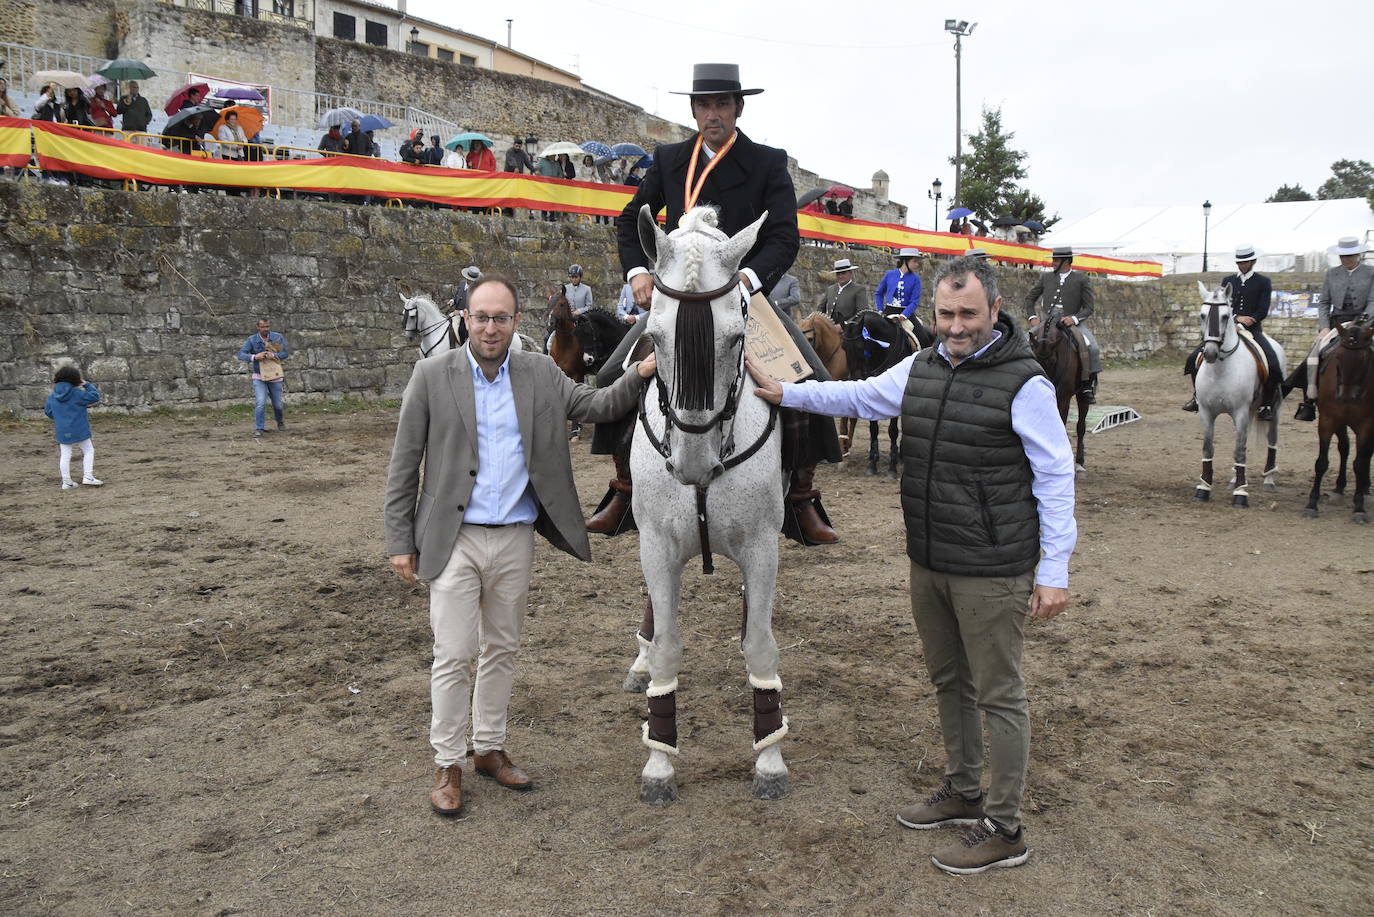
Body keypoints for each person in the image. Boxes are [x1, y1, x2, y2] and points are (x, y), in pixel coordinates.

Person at [747, 255, 1075, 875]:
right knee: (951, 681)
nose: (955, 326)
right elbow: (862, 395)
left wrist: (1054, 570)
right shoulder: (921, 366)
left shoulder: (1025, 383)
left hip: (993, 565)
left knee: (1000, 694)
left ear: (995, 311)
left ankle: (1005, 827)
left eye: (968, 314)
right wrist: (787, 391)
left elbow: (1055, 477)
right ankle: (963, 789)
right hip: (930, 559)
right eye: (946, 314)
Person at [383, 275, 658, 816]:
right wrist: (399, 540)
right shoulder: (432, 374)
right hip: (453, 539)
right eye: (481, 316)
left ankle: (488, 748)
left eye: (501, 318)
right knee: (455, 654)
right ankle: (448, 762)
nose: (490, 327)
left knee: (502, 650)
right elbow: (403, 463)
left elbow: (596, 404)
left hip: (514, 537)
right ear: (465, 318)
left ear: (515, 323)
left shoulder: (538, 372)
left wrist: (642, 372)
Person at [594, 62, 843, 549]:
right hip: (677, 299)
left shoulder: (769, 162)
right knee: (608, 377)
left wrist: (748, 279)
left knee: (812, 379)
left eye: (722, 104)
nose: (713, 114)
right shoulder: (668, 159)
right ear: (693, 110)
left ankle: (800, 497)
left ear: (738, 108)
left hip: (741, 297)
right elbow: (630, 223)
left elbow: (783, 237)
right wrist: (639, 272)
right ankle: (624, 486)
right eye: (705, 105)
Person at [1182, 243, 1282, 419]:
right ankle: (1197, 397)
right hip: (1227, 328)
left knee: (1272, 362)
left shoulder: (1263, 282)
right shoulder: (1229, 281)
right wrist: (1234, 321)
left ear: (1252, 261)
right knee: (1193, 359)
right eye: (1239, 262)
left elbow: (1262, 309)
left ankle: (1266, 404)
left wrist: (1248, 321)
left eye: (1245, 262)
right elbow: (1223, 306)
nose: (1241, 265)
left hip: (1253, 329)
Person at [1287, 236, 1374, 421]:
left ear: (1358, 254)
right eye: (1343, 256)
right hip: (1339, 323)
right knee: (1314, 353)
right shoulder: (1332, 273)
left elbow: (1373, 301)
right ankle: (1309, 400)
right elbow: (1324, 303)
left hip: (1366, 323)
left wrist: (1362, 323)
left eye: (1349, 256)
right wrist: (1324, 327)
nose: (1346, 259)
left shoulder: (1371, 272)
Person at [1024, 246, 1100, 403]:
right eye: (1053, 259)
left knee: (1092, 346)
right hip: (1046, 322)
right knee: (1024, 342)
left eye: (1056, 260)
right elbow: (1030, 299)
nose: (1053, 263)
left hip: (1071, 322)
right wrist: (1032, 316)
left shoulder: (1081, 279)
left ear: (1066, 261)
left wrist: (1075, 319)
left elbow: (1089, 307)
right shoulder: (1046, 278)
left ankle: (1086, 385)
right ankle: (1023, 380)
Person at [44, 365, 103, 490]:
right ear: (76, 379)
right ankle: (88, 476)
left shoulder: (52, 396)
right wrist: (86, 384)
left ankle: (67, 481)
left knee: (65, 455)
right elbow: (94, 396)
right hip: (80, 428)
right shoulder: (77, 393)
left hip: (62, 430)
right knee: (88, 450)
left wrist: (60, 418)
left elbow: (48, 411)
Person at [236, 318, 290, 438]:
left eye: (268, 326)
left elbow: (285, 353)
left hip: (274, 375)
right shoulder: (252, 339)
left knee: (278, 404)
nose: (266, 329)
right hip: (259, 375)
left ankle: (280, 422)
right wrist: (255, 356)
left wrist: (274, 355)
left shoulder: (278, 337)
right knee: (260, 402)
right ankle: (259, 428)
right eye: (263, 327)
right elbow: (241, 354)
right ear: (258, 327)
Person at [875, 248, 923, 319]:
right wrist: (880, 309)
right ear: (905, 261)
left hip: (906, 314)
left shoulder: (916, 279)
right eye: (914, 261)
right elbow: (879, 293)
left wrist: (904, 315)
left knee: (919, 329)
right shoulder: (889, 274)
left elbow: (914, 301)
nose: (917, 264)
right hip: (888, 311)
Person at [818, 258, 865, 322]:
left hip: (849, 330)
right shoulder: (830, 289)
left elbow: (862, 314)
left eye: (843, 273)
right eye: (838, 274)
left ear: (850, 273)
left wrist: (843, 325)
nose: (840, 276)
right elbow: (820, 309)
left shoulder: (858, 290)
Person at [447, 265, 481, 344]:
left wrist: (460, 313)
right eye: (469, 279)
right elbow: (457, 296)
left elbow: (475, 309)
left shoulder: (477, 291)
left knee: (462, 331)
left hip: (468, 317)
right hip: (456, 314)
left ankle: (463, 349)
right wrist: (452, 301)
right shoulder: (462, 283)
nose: (471, 281)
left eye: (473, 280)